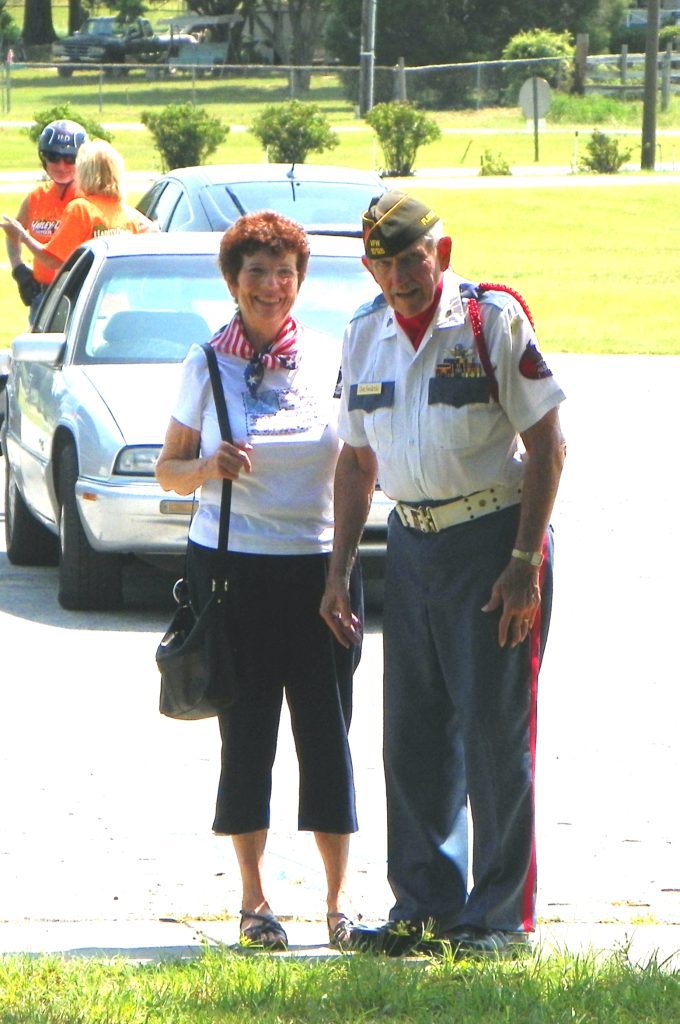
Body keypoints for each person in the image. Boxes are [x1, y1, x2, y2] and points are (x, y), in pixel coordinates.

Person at [320, 191, 566, 957]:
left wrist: (524, 563)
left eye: (412, 259)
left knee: (495, 736)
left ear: (442, 254)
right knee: (414, 738)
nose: (400, 277)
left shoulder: (491, 321)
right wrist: (338, 571)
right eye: (385, 264)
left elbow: (549, 445)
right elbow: (357, 462)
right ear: (370, 270)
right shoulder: (363, 334)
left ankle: (501, 919)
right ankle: (424, 908)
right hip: (413, 547)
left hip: (494, 542)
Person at [155, 210, 362, 952]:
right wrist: (208, 466)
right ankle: (254, 903)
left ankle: (338, 905)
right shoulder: (205, 363)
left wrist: (341, 572)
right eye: (256, 273)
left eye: (284, 273)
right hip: (233, 575)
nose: (271, 286)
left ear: (300, 281)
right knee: (246, 741)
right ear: (232, 281)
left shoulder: (332, 359)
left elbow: (357, 463)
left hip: (320, 575)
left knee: (328, 738)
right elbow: (168, 470)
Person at [2, 138, 153, 279]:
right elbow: (153, 235)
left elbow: (52, 260)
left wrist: (23, 236)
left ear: (86, 173)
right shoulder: (126, 212)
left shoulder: (81, 209)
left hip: (87, 293)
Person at [3, 118, 88, 322]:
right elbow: (13, 232)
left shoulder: (90, 199)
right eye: (53, 157)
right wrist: (18, 269)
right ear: (43, 158)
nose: (61, 165)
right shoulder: (36, 198)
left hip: (81, 296)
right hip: (43, 297)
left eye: (70, 158)